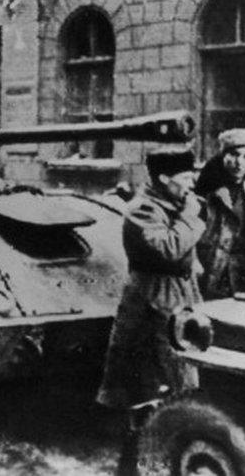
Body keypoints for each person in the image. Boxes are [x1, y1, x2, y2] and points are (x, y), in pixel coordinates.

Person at [97, 147, 204, 411]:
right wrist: (190, 216)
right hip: (154, 293)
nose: (192, 184)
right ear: (165, 179)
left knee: (180, 356)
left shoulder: (176, 204)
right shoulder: (143, 209)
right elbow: (169, 248)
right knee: (165, 360)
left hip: (181, 289)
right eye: (186, 177)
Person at [195, 128, 245, 299]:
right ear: (223, 156)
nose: (239, 162)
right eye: (233, 155)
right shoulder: (204, 191)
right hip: (215, 266)